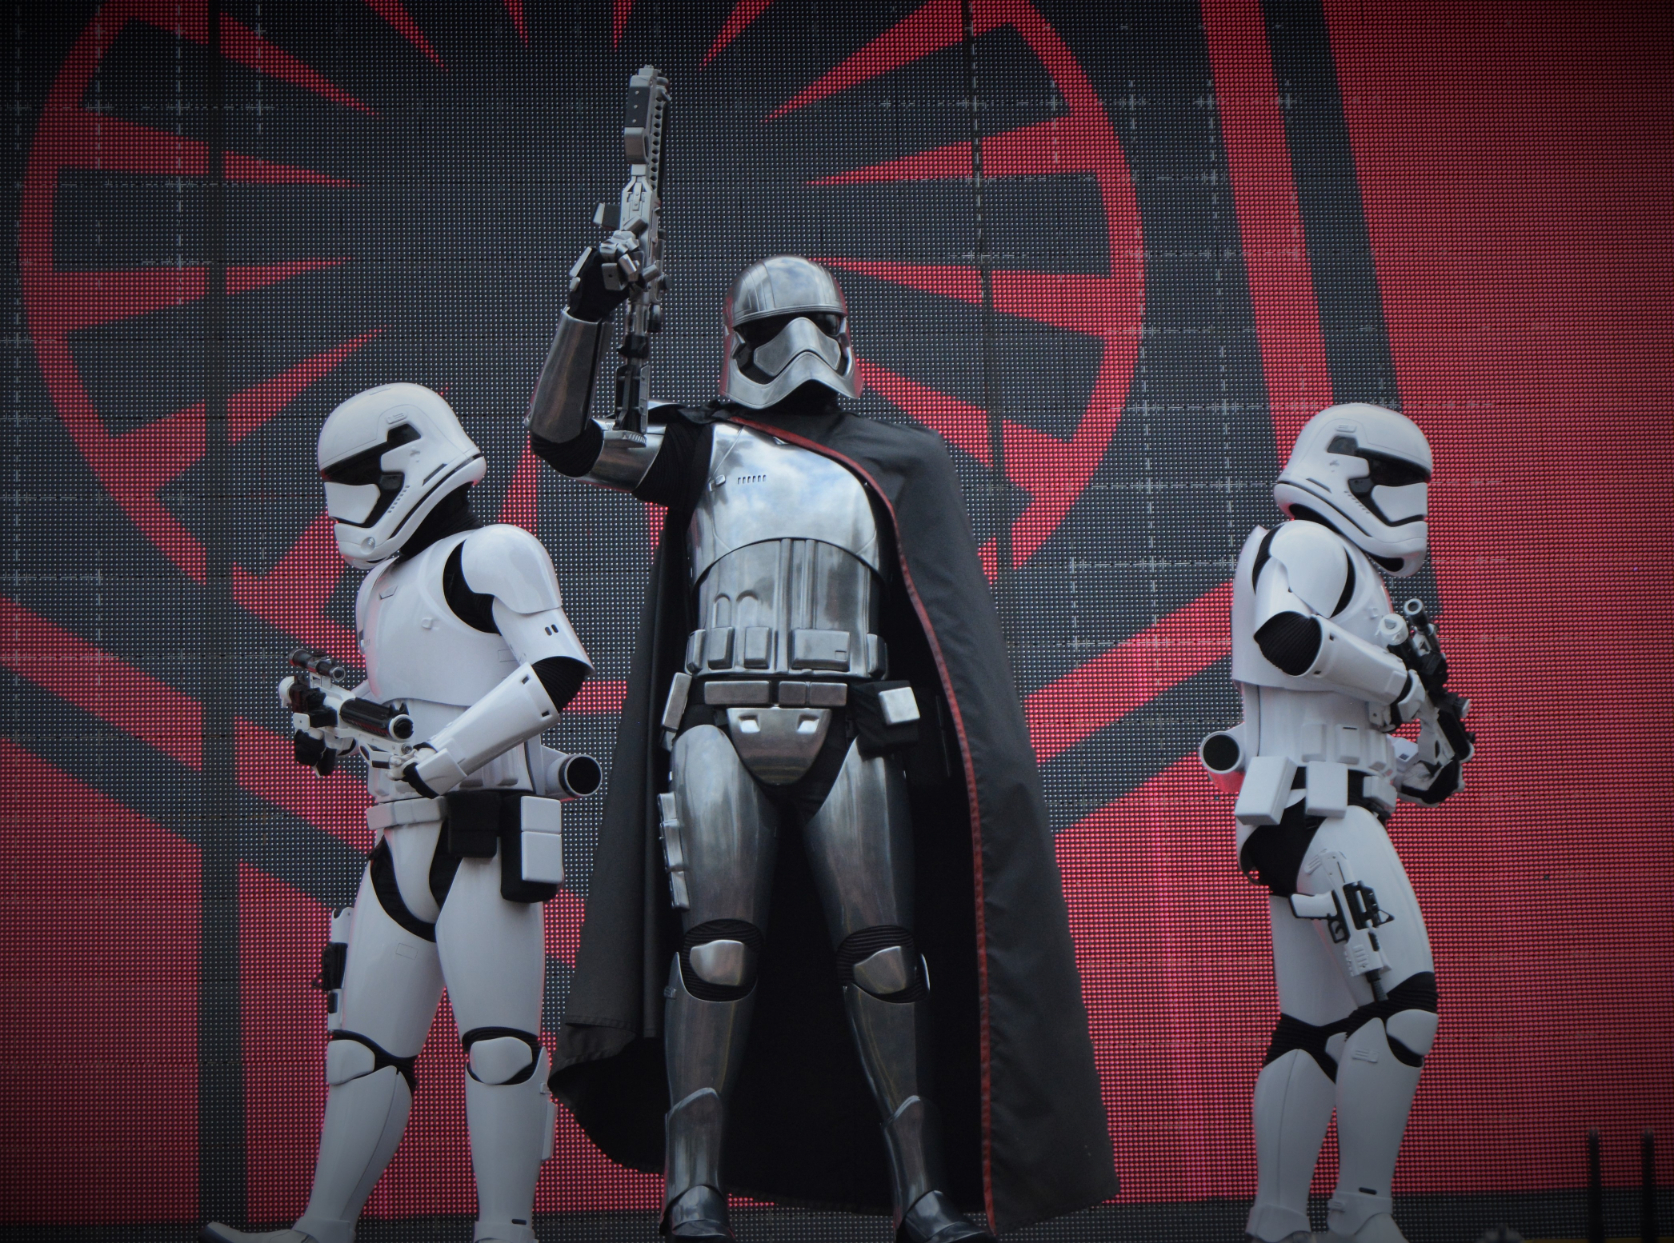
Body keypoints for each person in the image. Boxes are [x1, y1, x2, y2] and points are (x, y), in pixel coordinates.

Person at [524, 250, 1117, 1242]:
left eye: (819, 325)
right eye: (772, 329)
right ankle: (692, 1189)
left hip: (854, 721)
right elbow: (562, 437)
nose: (799, 347)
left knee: (885, 957)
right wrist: (588, 305)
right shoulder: (703, 444)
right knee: (715, 952)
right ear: (739, 343)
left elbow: (944, 633)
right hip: (717, 717)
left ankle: (921, 1192)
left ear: (846, 337)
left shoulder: (900, 458)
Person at [203, 383, 592, 1243]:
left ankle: (505, 1228)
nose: (350, 508)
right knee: (361, 1046)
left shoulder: (495, 551)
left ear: (407, 464)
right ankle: (323, 1225)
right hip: (399, 840)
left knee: (500, 1047)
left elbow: (557, 669)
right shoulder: (378, 588)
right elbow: (397, 707)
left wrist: (447, 755)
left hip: (485, 833)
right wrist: (332, 723)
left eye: (361, 482)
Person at [1201, 404, 1472, 1243]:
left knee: (1316, 1026)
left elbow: (1359, 733)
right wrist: (1400, 683)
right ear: (1355, 473)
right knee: (1405, 1004)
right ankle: (1361, 1213)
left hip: (1306, 810)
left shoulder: (1345, 564)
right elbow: (1286, 633)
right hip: (1317, 810)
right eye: (1396, 480)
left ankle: (1278, 1219)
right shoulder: (1311, 543)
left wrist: (1426, 747)